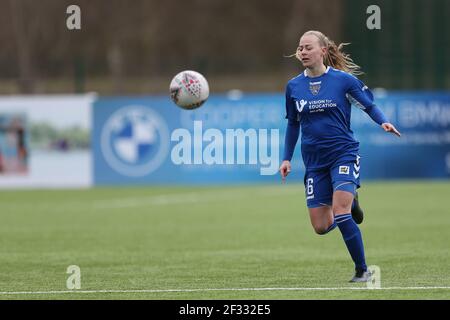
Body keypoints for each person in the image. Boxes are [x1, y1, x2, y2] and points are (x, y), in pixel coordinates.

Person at [279, 30, 401, 282]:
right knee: (321, 227)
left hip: (343, 153)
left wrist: (383, 122)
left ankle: (362, 270)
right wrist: (286, 158)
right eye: (300, 48)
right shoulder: (293, 86)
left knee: (341, 212)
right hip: (314, 161)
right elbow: (293, 124)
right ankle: (351, 201)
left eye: (308, 47)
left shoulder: (343, 81)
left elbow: (369, 104)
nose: (302, 52)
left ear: (323, 51)